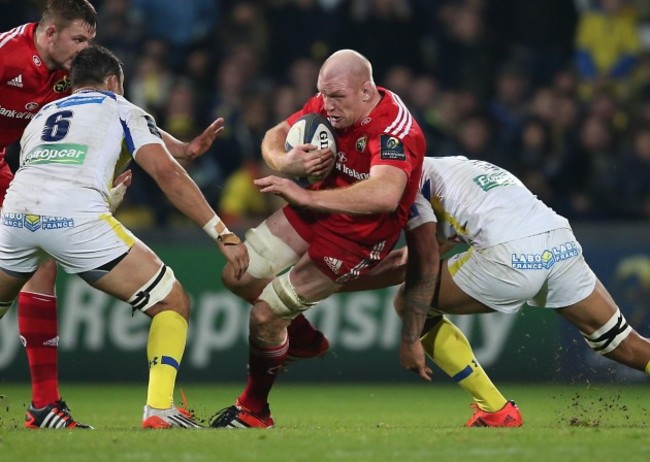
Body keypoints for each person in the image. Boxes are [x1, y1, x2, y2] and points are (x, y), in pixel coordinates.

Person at [0, 0, 226, 429]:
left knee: (40, 265)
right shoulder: (6, 54)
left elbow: (117, 112)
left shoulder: (68, 81)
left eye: (91, 40)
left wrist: (180, 147)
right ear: (50, 34)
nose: (86, 47)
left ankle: (44, 406)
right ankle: (60, 405)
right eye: (79, 39)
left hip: (11, 175)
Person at [209, 49, 426, 428]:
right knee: (237, 275)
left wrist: (304, 194)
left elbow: (385, 195)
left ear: (366, 91)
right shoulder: (329, 101)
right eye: (322, 94)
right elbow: (273, 135)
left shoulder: (394, 130)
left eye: (337, 96)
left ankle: (254, 410)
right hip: (315, 210)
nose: (327, 105)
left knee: (264, 316)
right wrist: (284, 163)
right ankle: (304, 339)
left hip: (357, 236)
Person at [356, 155, 650, 424]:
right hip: (559, 241)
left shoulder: (409, 186)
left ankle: (496, 410)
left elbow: (413, 264)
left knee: (410, 301)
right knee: (621, 342)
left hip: (510, 256)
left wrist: (335, 281)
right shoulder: (456, 169)